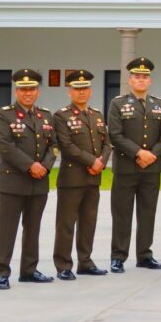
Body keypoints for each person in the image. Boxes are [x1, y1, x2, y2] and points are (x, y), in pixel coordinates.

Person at [0, 69, 57, 290]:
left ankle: (29, 270)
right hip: (13, 182)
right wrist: (31, 166)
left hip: (39, 182)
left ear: (38, 91)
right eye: (23, 89)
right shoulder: (3, 115)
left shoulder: (45, 115)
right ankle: (1, 272)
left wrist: (44, 167)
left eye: (32, 89)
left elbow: (53, 146)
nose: (28, 93)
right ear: (17, 91)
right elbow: (5, 147)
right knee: (6, 229)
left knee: (33, 228)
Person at [107, 57, 161, 273]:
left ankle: (144, 255)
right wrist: (138, 153)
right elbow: (115, 135)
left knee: (147, 213)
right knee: (122, 214)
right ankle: (118, 256)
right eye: (137, 76)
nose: (141, 80)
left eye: (145, 77)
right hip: (126, 168)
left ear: (150, 80)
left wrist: (151, 154)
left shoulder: (159, 104)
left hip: (151, 169)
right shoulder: (118, 104)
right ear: (130, 79)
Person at [52, 69, 111, 280]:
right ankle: (63, 265)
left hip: (93, 177)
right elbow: (66, 146)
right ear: (69, 91)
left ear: (90, 91)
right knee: (66, 224)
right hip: (72, 179)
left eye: (85, 88)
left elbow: (107, 143)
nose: (81, 92)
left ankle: (85, 262)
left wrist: (101, 163)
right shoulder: (61, 116)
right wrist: (92, 161)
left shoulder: (96, 115)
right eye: (77, 89)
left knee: (88, 222)